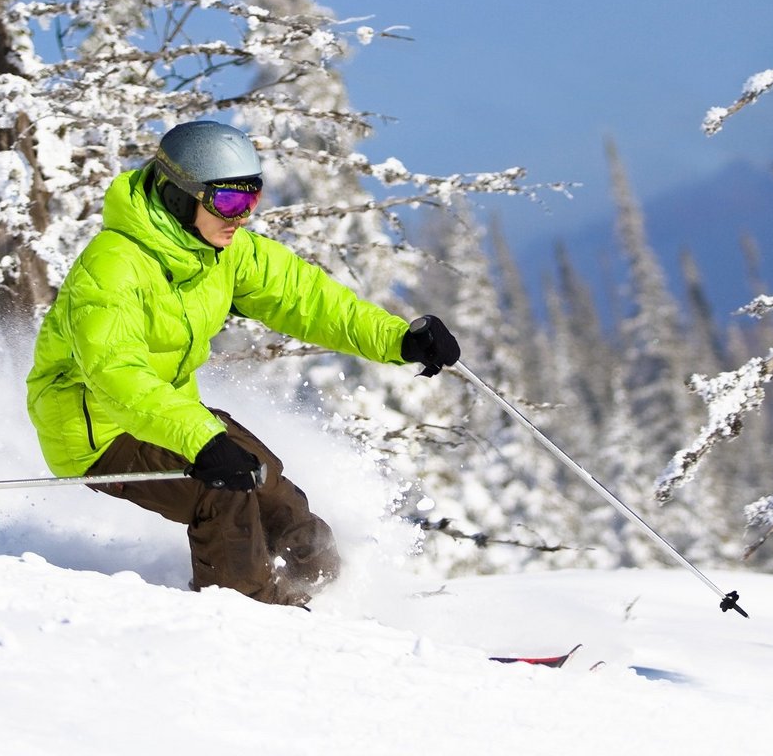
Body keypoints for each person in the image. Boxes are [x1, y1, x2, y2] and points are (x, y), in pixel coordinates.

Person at [25, 120, 460, 606]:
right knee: (222, 492)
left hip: (163, 411)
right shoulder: (112, 270)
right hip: (97, 431)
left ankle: (334, 594)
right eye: (228, 202)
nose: (242, 217)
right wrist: (201, 440)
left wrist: (399, 340)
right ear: (177, 196)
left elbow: (306, 299)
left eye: (251, 201)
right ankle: (250, 618)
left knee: (267, 480)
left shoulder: (221, 251)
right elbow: (116, 375)